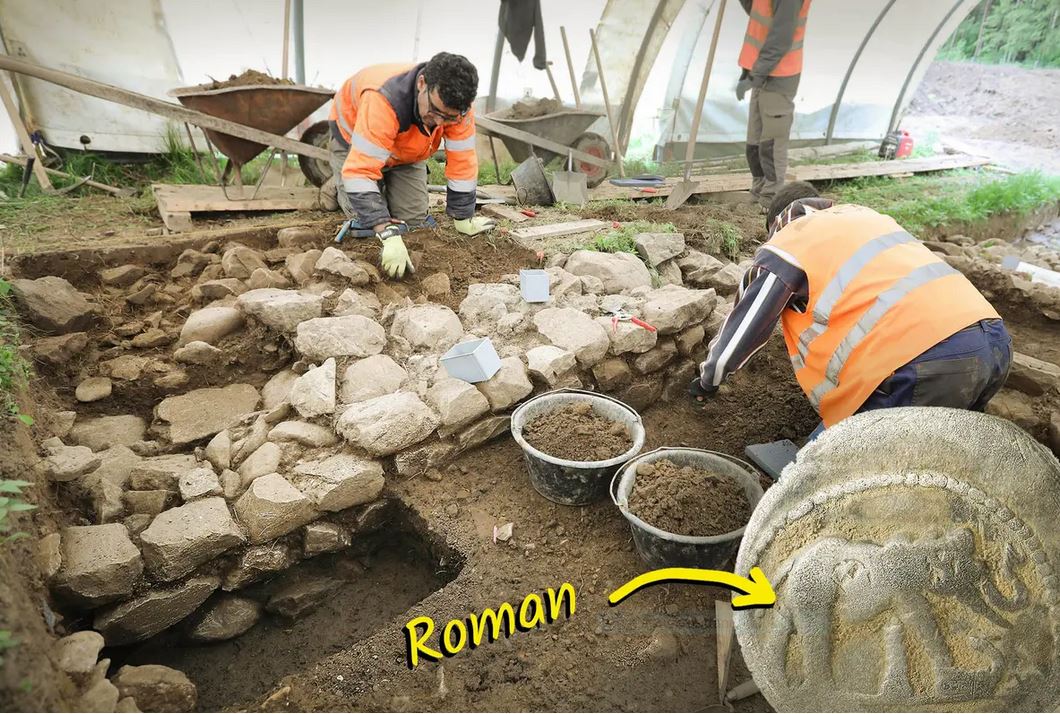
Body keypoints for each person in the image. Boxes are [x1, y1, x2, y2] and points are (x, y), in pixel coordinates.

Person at [689, 181, 1012, 437]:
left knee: (826, 476)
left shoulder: (788, 244)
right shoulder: (866, 217)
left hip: (924, 362)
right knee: (931, 458)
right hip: (994, 342)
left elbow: (742, 332)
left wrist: (708, 380)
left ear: (776, 223)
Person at [324, 52, 496, 278]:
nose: (440, 123)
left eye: (449, 118)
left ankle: (378, 182)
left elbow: (462, 162)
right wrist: (386, 232)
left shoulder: (458, 108)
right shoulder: (384, 98)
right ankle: (336, 184)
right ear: (422, 84)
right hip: (355, 143)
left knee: (414, 224)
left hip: (407, 153)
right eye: (435, 112)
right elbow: (360, 171)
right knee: (367, 223)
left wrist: (463, 216)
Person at [735, 0, 811, 210]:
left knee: (771, 144)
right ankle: (758, 191)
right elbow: (757, 10)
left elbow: (781, 37)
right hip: (761, 68)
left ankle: (770, 201)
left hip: (780, 73)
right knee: (754, 142)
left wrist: (755, 76)